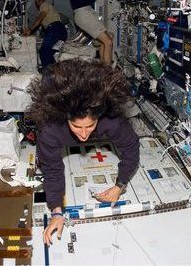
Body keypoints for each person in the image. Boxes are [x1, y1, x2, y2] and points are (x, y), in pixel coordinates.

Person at [28, 59, 140, 245]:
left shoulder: (111, 122)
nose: (83, 134)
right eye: (76, 126)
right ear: (66, 118)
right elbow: (52, 171)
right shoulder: (51, 130)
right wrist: (57, 212)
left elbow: (131, 148)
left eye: (90, 126)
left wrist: (120, 185)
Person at [69, 0, 113, 66]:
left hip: (85, 12)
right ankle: (108, 75)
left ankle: (103, 70)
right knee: (108, 42)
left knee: (107, 39)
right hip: (83, 13)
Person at [23, 0, 68, 69]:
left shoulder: (44, 5)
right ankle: (56, 73)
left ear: (41, 1)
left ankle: (48, 76)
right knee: (49, 53)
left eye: (37, 1)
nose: (37, 3)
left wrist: (30, 30)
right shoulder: (50, 9)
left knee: (44, 52)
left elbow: (40, 18)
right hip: (62, 33)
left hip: (55, 29)